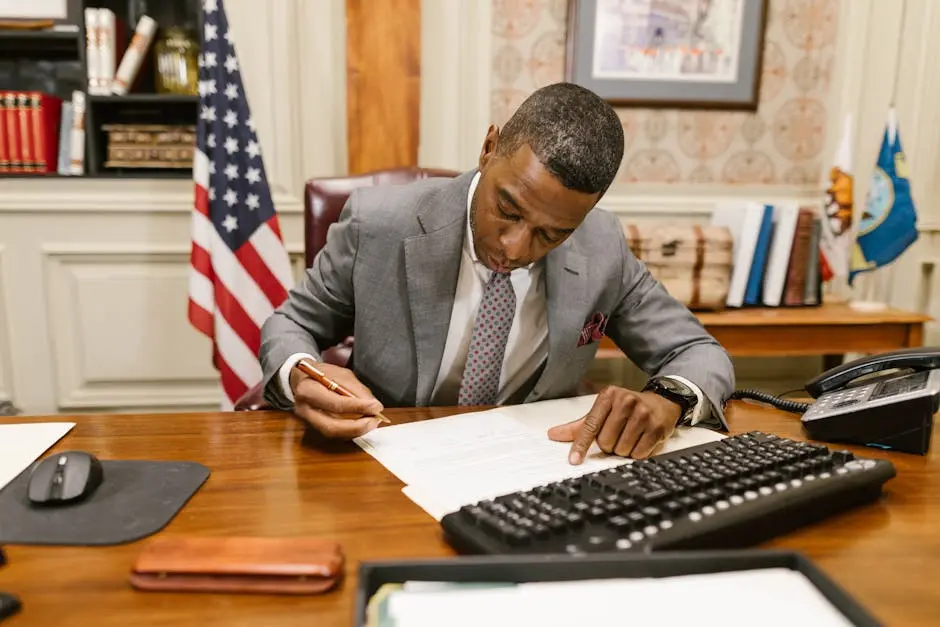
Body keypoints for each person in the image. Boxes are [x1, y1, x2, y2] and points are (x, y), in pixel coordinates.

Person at [259, 82, 735, 463]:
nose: (516, 247)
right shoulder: (377, 224)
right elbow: (291, 323)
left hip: (531, 466)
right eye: (507, 208)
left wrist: (669, 399)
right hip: (384, 456)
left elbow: (698, 352)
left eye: (552, 234)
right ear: (489, 148)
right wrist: (301, 374)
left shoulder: (603, 246)